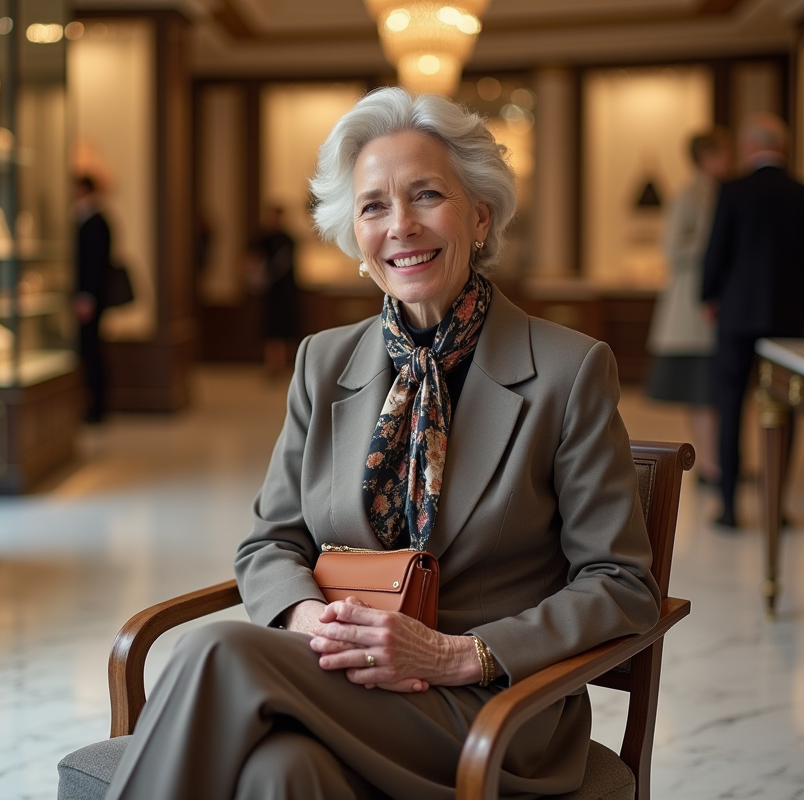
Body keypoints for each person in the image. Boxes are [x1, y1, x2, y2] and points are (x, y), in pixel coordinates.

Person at [101, 87, 661, 799]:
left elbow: (622, 586)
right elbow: (268, 544)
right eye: (373, 206)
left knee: (216, 648)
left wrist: (457, 654)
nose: (401, 225)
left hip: (488, 712)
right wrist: (309, 622)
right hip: (338, 681)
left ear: (480, 216)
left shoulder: (569, 370)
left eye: (427, 195)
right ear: (354, 236)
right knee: (283, 774)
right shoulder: (322, 361)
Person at [701, 114, 804, 529]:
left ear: (751, 148)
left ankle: (730, 508)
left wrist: (709, 295)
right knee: (783, 412)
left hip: (735, 315)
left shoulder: (733, 191)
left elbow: (716, 249)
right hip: (788, 318)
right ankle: (776, 507)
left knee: (731, 407)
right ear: (783, 148)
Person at [646, 129, 732, 487]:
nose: (728, 161)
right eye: (722, 153)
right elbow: (671, 249)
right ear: (707, 156)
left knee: (711, 390)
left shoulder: (717, 192)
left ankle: (716, 462)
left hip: (709, 305)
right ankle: (711, 465)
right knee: (701, 390)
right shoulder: (688, 195)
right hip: (690, 307)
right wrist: (712, 242)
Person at [74, 174, 111, 423]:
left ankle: (97, 407)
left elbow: (96, 265)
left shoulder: (96, 222)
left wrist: (87, 295)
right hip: (89, 296)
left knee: (92, 350)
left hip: (90, 298)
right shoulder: (87, 219)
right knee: (90, 350)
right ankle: (92, 404)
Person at [248, 205, 301, 377]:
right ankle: (271, 364)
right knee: (271, 330)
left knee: (287, 328)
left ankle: (286, 364)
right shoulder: (262, 238)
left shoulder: (288, 239)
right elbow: (251, 261)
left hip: (287, 292)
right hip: (270, 293)